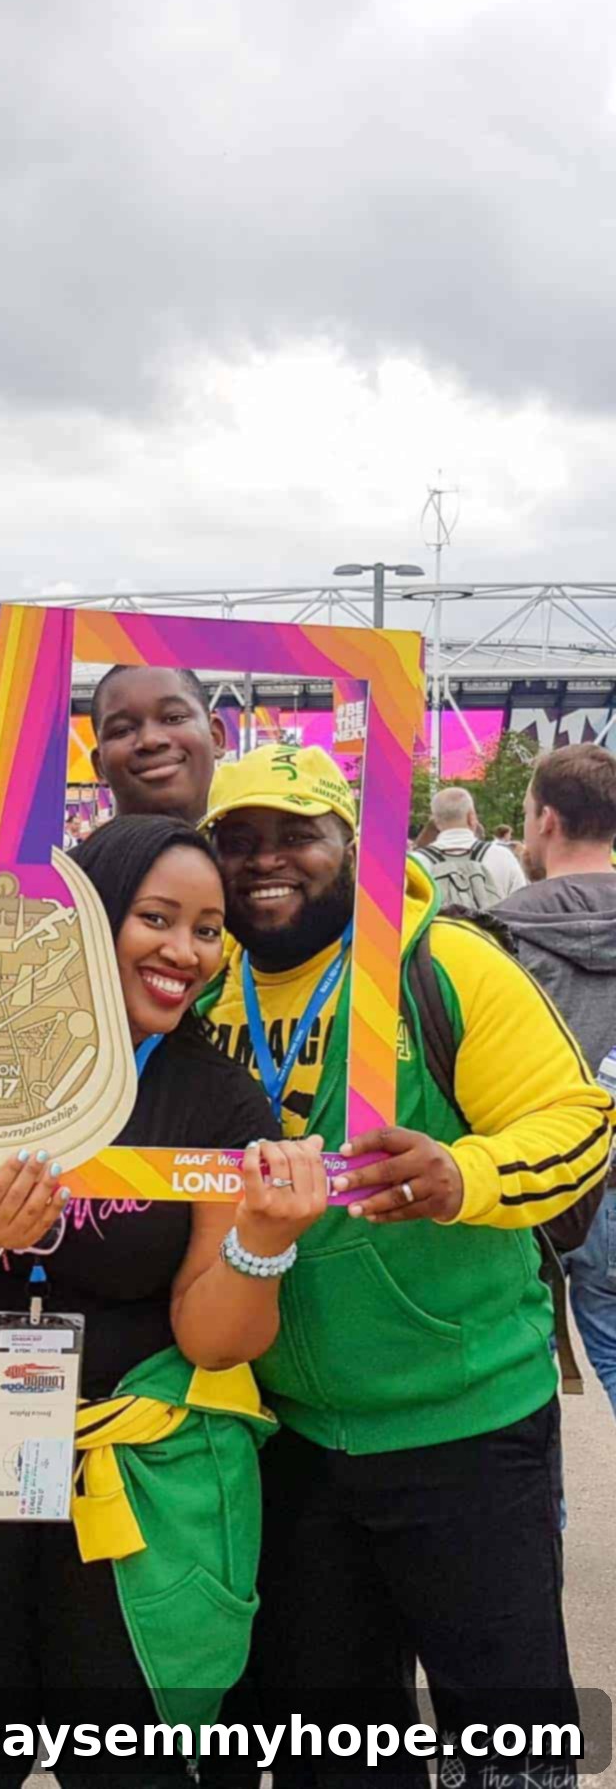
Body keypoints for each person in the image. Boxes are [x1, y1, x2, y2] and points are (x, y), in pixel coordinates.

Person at [0, 814, 328, 1784]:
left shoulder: (218, 1098)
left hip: (134, 1492)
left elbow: (213, 1333)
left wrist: (262, 1239)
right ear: (84, 917)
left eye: (206, 928)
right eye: (156, 917)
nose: (184, 951)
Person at [200, 742, 614, 1787]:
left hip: (463, 1423)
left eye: (298, 835)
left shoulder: (448, 965)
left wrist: (463, 1172)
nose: (266, 861)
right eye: (238, 839)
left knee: (508, 1745)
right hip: (283, 1433)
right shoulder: (202, 986)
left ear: (354, 844)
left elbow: (580, 1125)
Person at [498, 743, 616, 1417]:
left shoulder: (504, 932)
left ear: (545, 819)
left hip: (532, 1179)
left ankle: (545, 1521)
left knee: (521, 1374)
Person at [89, 664, 227, 824]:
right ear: (100, 766)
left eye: (174, 718)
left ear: (215, 737)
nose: (150, 740)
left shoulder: (255, 848)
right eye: (123, 730)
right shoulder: (65, 850)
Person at [414, 783, 526, 906]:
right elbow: (522, 908)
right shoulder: (503, 857)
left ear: (436, 822)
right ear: (472, 817)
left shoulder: (416, 863)